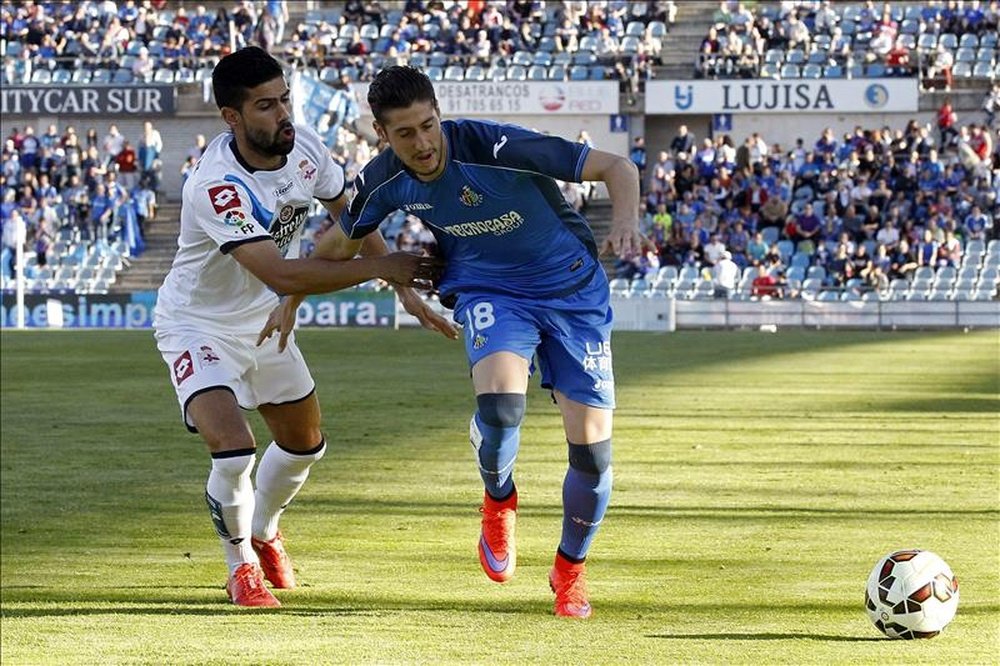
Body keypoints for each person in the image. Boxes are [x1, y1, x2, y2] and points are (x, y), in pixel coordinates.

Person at [261, 65, 652, 618]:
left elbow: (617, 166)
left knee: (592, 455)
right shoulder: (383, 179)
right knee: (500, 409)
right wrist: (292, 297)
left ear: (439, 115)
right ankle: (498, 501)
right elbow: (340, 243)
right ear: (382, 133)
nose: (421, 144)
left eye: (428, 126)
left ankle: (570, 573)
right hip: (490, 290)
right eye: (405, 133)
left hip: (573, 295)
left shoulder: (495, 145)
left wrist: (627, 221)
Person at [152, 48, 454, 609]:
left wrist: (406, 292)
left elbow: (352, 217)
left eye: (285, 98)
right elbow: (279, 270)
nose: (283, 114)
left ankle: (264, 531)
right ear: (232, 118)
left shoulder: (305, 146)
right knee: (234, 452)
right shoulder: (216, 185)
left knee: (303, 445)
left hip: (264, 319)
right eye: (266, 106)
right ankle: (239, 565)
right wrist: (382, 269)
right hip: (199, 325)